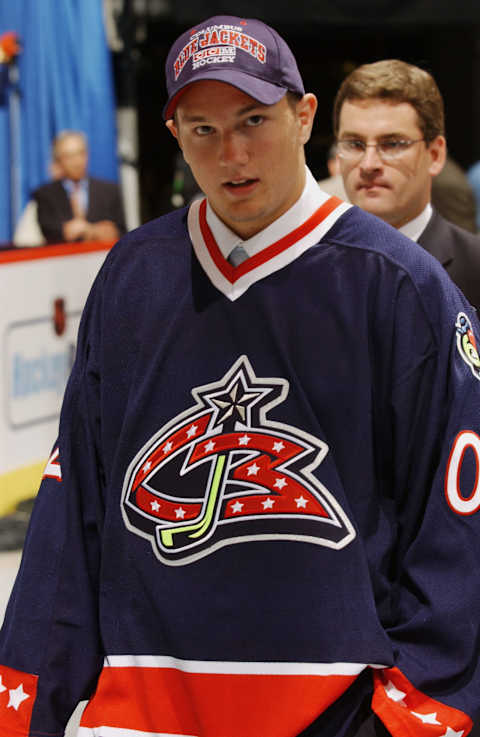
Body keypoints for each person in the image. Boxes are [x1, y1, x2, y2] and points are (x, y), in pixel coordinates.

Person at [1, 16, 480, 737]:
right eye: (202, 129)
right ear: (175, 135)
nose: (231, 152)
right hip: (141, 716)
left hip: (336, 711)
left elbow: (455, 528)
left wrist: (414, 714)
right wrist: (28, 696)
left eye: (253, 119)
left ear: (303, 116)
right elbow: (75, 513)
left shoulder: (401, 285)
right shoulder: (133, 275)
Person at [333, 59, 480, 309]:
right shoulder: (304, 266)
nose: (368, 164)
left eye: (392, 144)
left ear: (435, 155)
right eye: (355, 144)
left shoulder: (474, 267)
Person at [33, 130, 126, 244]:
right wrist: (97, 231)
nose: (77, 162)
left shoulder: (110, 191)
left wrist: (88, 230)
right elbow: (51, 232)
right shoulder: (45, 194)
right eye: (69, 156)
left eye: (81, 153)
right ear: (58, 161)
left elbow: (121, 232)